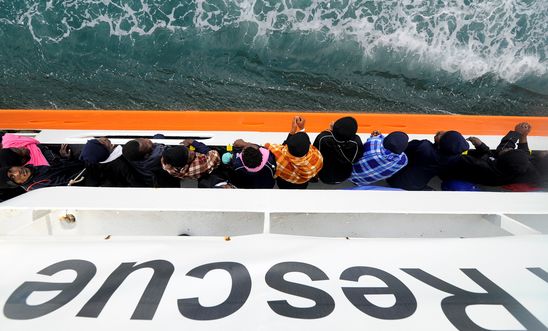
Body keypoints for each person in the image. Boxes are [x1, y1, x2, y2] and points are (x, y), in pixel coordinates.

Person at [445, 123, 536, 187]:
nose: (509, 148)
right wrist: (523, 136)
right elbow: (524, 154)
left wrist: (517, 133)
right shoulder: (517, 167)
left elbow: (452, 158)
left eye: (508, 150)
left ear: (502, 159)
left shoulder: (480, 166)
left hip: (459, 171)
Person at [387, 130, 469, 190]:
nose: (442, 132)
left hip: (393, 178)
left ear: (439, 146)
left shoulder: (423, 147)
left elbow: (399, 149)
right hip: (417, 186)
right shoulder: (454, 159)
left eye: (443, 136)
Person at [265, 116, 323, 189]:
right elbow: (308, 146)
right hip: (302, 184)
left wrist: (292, 131)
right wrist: (302, 129)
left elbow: (270, 147)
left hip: (284, 183)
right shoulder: (317, 157)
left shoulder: (278, 156)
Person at [313, 116, 364, 184]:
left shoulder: (323, 138)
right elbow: (356, 158)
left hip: (324, 175)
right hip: (344, 176)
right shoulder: (356, 143)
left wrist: (330, 131)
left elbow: (314, 154)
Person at [80, 138, 145, 187]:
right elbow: (136, 182)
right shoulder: (124, 162)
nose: (104, 138)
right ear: (107, 150)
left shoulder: (92, 162)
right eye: (103, 142)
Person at [0, 161, 87, 192]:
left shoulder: (32, 171)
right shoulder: (36, 185)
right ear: (17, 183)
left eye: (11, 170)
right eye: (12, 177)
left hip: (82, 165)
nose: (17, 173)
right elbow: (70, 182)